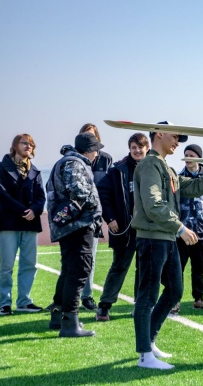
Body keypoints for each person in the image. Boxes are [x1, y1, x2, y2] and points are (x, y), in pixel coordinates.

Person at [132, 122, 203, 370]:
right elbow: (153, 204)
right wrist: (180, 228)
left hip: (166, 238)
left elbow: (196, 187)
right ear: (159, 134)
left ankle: (149, 342)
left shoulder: (167, 168)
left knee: (175, 291)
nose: (178, 142)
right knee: (147, 296)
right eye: (175, 136)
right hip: (153, 238)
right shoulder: (150, 164)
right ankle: (144, 355)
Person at [46, 133, 104, 337]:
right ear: (89, 150)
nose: (97, 154)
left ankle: (58, 316)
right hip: (78, 226)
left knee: (69, 270)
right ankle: (70, 323)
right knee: (79, 270)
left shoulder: (67, 161)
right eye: (96, 150)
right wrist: (94, 207)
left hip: (70, 226)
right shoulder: (75, 164)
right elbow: (79, 193)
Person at [95, 133, 149, 321]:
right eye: (133, 147)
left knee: (144, 269)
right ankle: (104, 306)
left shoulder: (153, 168)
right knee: (119, 267)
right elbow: (102, 193)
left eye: (140, 147)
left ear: (147, 149)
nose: (137, 150)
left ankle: (140, 306)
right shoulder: (117, 169)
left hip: (147, 229)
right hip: (124, 229)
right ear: (129, 149)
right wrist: (110, 218)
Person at [0, 134, 46, 315]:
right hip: (9, 223)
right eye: (25, 143)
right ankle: (5, 303)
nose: (29, 146)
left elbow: (41, 197)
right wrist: (24, 210)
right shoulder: (0, 167)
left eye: (31, 144)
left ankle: (24, 301)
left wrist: (35, 210)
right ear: (15, 145)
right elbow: (1, 195)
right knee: (6, 266)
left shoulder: (35, 171)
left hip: (30, 224)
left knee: (29, 264)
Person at [171, 144, 203, 313]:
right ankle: (175, 301)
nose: (188, 158)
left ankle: (199, 299)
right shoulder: (178, 178)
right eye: (186, 154)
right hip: (182, 232)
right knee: (178, 268)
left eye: (191, 155)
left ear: (199, 158)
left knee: (198, 269)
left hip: (201, 231)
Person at [78, 123, 113, 312]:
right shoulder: (74, 160)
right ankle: (65, 298)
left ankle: (86, 296)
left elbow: (108, 189)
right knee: (70, 259)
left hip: (94, 218)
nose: (89, 140)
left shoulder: (106, 160)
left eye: (92, 136)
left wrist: (108, 216)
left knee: (89, 258)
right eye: (85, 136)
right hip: (75, 218)